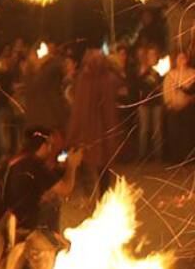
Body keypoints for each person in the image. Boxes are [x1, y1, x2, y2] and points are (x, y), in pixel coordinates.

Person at [67, 49, 127, 195]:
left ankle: (92, 193)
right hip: (102, 129)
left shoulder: (85, 79)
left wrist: (74, 134)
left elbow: (79, 109)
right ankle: (101, 194)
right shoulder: (107, 79)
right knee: (101, 164)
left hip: (89, 130)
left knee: (90, 161)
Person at [132, 46, 164, 162]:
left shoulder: (160, 69)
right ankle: (142, 155)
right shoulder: (142, 69)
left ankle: (158, 155)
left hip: (157, 103)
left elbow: (162, 84)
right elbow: (137, 84)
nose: (152, 56)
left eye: (154, 54)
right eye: (150, 54)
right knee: (144, 129)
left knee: (157, 129)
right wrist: (144, 72)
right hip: (144, 102)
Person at [163, 50, 195, 162]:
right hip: (173, 108)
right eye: (179, 58)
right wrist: (170, 103)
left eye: (184, 58)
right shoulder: (171, 74)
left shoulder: (192, 73)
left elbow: (192, 92)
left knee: (187, 133)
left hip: (187, 108)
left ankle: (187, 157)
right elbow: (166, 90)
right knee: (174, 132)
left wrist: (188, 101)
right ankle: (175, 157)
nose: (182, 60)